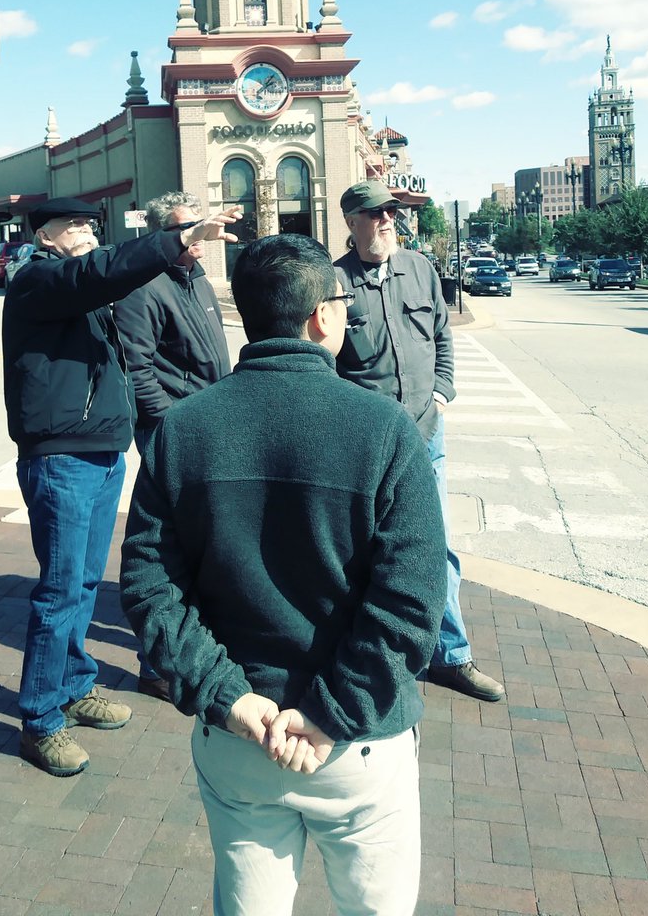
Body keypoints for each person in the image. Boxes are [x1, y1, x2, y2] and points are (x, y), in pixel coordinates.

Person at [121, 234, 447, 916]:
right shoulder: (385, 430)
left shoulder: (183, 429)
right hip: (358, 741)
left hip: (239, 732)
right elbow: (412, 605)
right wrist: (329, 716)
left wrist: (228, 697)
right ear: (322, 316)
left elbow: (152, 589)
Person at [2, 195, 240, 777]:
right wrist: (179, 238)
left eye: (89, 224)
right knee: (60, 592)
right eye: (73, 225)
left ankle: (76, 685)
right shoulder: (40, 279)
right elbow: (96, 274)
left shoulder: (82, 289)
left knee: (84, 582)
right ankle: (40, 721)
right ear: (45, 236)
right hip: (62, 460)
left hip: (101, 455)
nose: (85, 232)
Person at [334, 180, 505, 702]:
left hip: (426, 433)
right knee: (361, 548)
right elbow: (325, 359)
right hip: (366, 443)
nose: (388, 221)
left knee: (440, 546)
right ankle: (370, 653)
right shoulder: (334, 282)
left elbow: (444, 337)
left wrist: (444, 390)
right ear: (353, 222)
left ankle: (450, 657)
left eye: (392, 213)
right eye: (377, 214)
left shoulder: (420, 270)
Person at [112, 190, 231, 702]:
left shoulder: (195, 277)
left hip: (208, 424)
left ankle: (193, 648)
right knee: (170, 550)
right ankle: (156, 665)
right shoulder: (142, 287)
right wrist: (170, 426)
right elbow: (136, 369)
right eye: (190, 231)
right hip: (174, 432)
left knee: (203, 542)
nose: (200, 241)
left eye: (202, 229)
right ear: (164, 235)